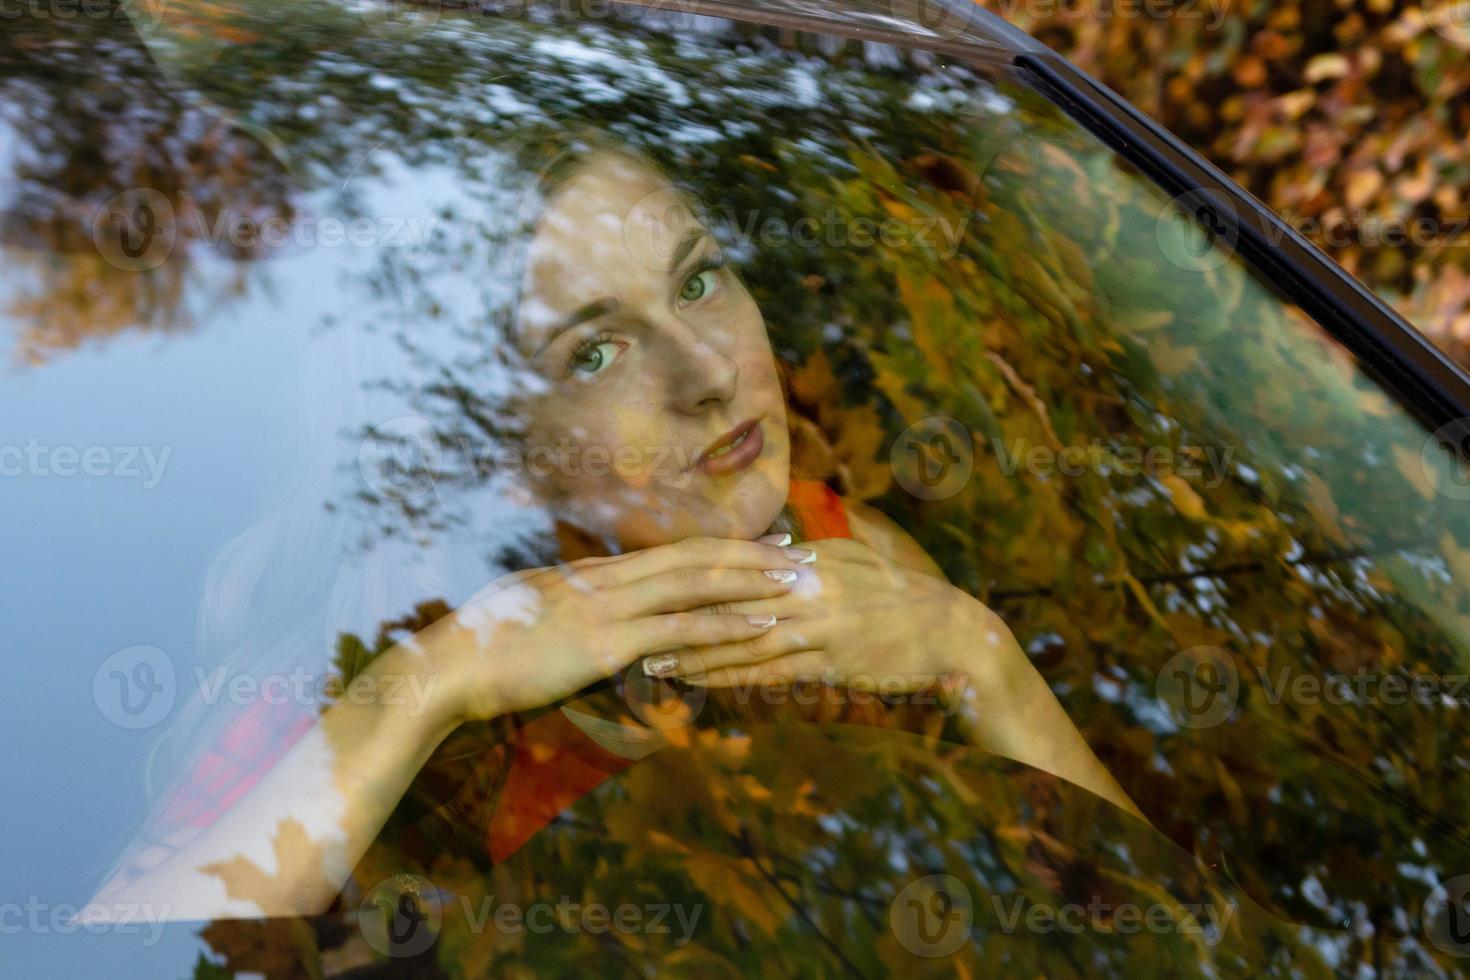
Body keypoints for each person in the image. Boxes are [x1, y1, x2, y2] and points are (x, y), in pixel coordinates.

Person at [85, 141, 1141, 923]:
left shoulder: (850, 557)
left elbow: (1138, 925)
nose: (708, 371)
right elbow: (130, 949)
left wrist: (982, 659)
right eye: (595, 353)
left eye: (697, 279)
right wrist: (440, 680)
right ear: (500, 458)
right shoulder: (374, 649)